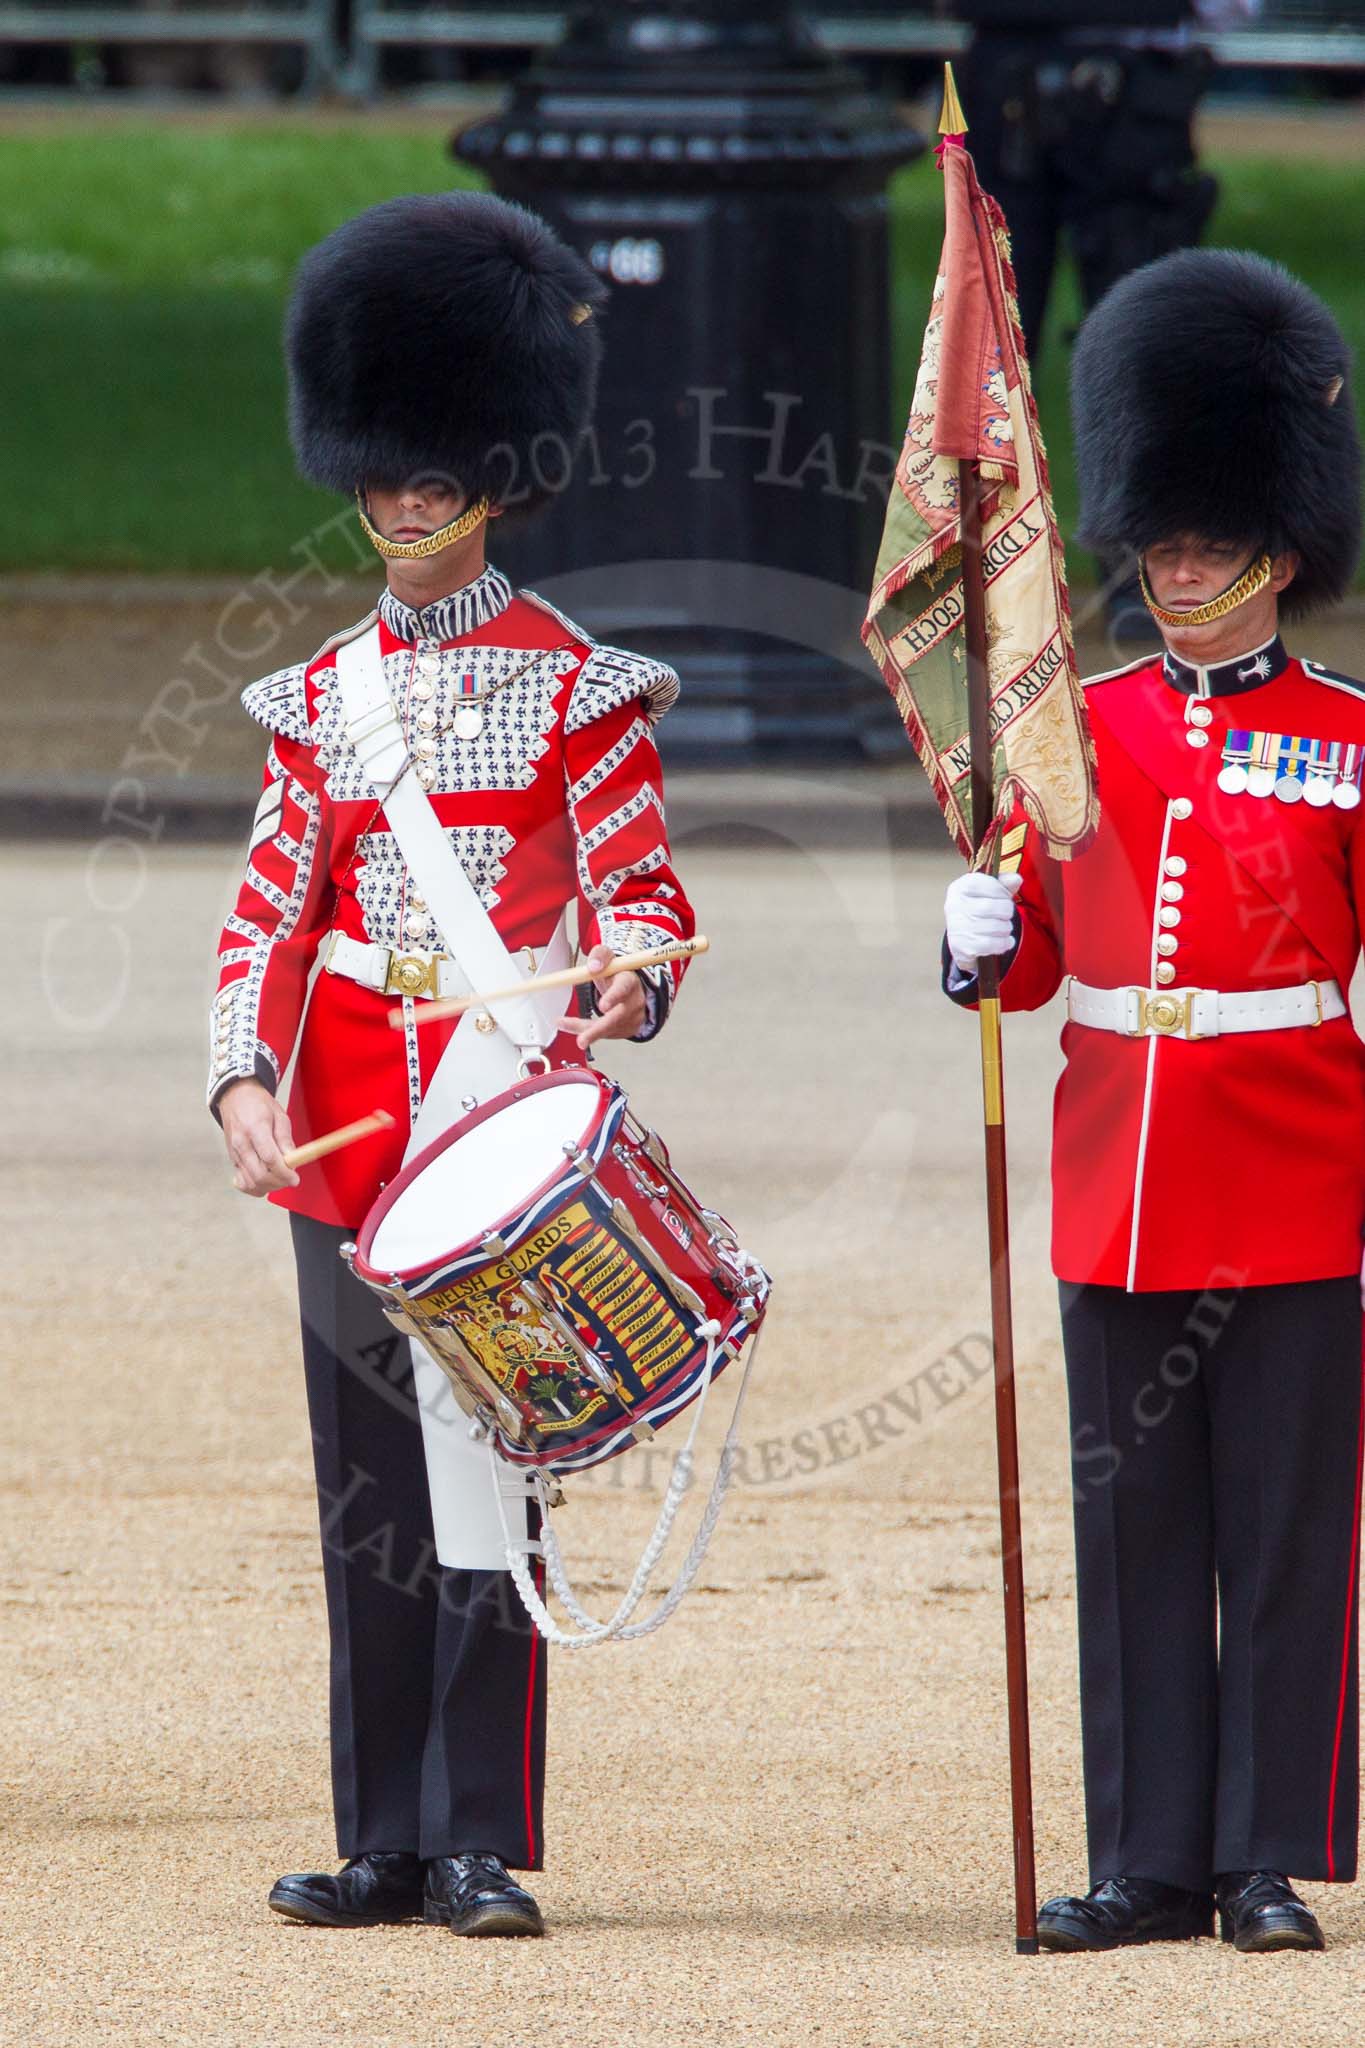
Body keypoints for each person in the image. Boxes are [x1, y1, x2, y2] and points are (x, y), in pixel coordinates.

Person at [208, 191, 695, 1938]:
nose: (406, 507)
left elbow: (643, 906)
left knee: (487, 1470)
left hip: (487, 1119)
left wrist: (618, 992)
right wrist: (242, 1085)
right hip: (345, 1119)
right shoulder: (317, 694)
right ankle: (384, 1836)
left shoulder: (577, 687)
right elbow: (267, 916)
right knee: (366, 1491)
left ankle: (480, 1833)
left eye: (435, 477)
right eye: (387, 477)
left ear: (498, 472)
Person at [942, 247, 1363, 1953]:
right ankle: (1145, 1860)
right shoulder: (1075, 733)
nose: (1175, 571)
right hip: (1117, 1169)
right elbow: (1037, 966)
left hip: (1297, 1173)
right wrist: (977, 940)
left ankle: (1265, 1853)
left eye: (1207, 545)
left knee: (1279, 1536)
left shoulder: (1347, 737)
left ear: (1277, 550)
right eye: (1161, 542)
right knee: (1130, 1533)